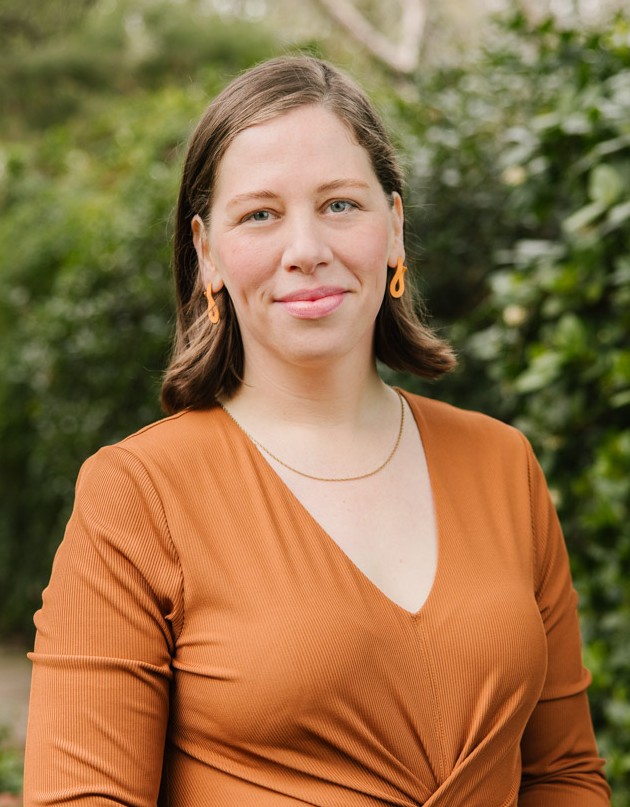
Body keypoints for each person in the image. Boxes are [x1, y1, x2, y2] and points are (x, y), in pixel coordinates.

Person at [23, 55, 609, 806]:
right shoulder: (138, 494)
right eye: (260, 213)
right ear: (207, 254)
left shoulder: (503, 462)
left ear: (394, 229)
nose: (307, 248)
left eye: (340, 204)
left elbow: (562, 775)